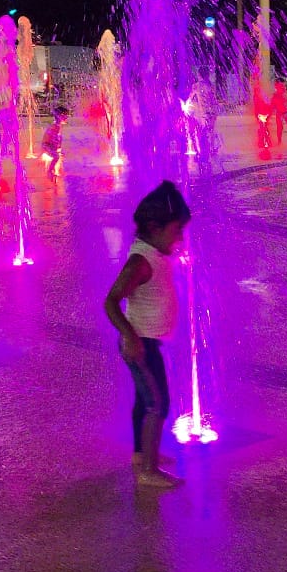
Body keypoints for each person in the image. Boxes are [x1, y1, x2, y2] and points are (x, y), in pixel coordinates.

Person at [103, 181, 193, 489]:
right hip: (140, 344)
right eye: (176, 230)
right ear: (154, 228)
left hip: (147, 342)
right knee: (158, 403)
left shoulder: (153, 252)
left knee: (144, 400)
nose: (180, 238)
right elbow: (111, 301)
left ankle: (141, 455)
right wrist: (130, 337)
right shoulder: (140, 262)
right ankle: (148, 471)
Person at [40, 105, 68, 175]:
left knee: (59, 155)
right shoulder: (55, 126)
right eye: (65, 115)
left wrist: (59, 148)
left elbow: (58, 138)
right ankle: (50, 171)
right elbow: (52, 139)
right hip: (47, 146)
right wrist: (56, 149)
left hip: (50, 145)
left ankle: (54, 169)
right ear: (60, 116)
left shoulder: (58, 126)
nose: (67, 117)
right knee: (56, 156)